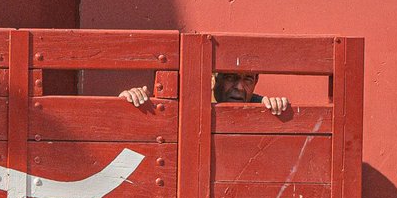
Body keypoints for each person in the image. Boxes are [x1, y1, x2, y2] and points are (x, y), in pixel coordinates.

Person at [120, 71, 289, 115]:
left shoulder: (259, 105)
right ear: (213, 79)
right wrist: (131, 98)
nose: (239, 87)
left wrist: (274, 106)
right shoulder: (187, 101)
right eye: (231, 77)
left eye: (248, 80)